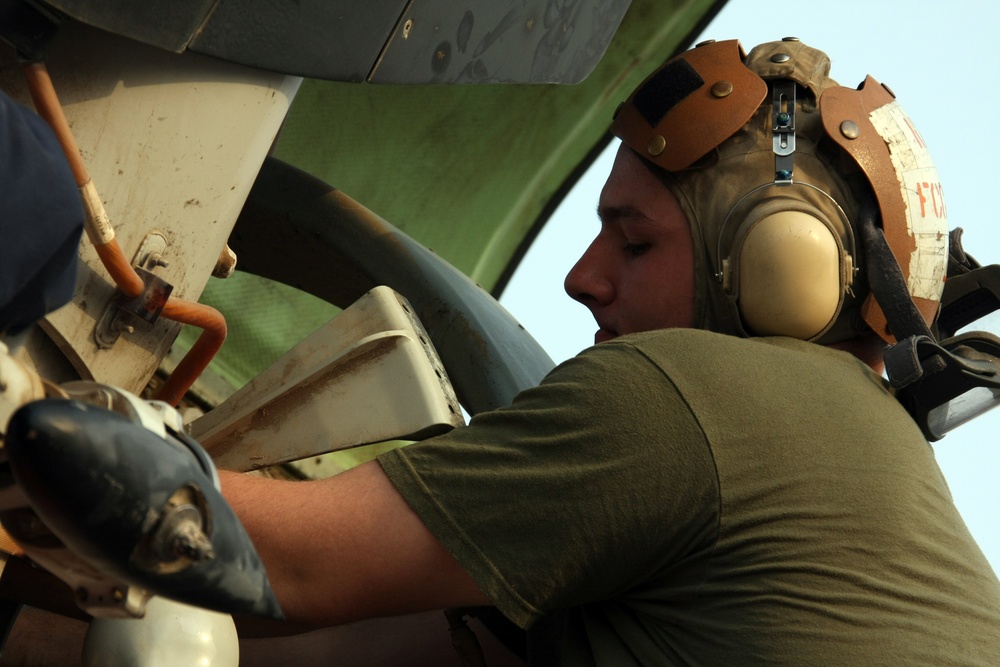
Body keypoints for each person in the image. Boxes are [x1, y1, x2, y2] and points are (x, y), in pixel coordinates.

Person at [220, 38, 1000, 666]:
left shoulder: (694, 397)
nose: (580, 277)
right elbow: (335, 641)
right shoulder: (866, 475)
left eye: (633, 241)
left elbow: (286, 561)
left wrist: (108, 431)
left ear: (775, 269)